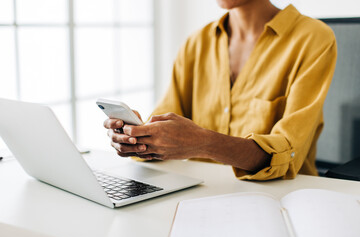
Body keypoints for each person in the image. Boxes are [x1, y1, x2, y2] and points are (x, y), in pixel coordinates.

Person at [103, 0, 337, 181]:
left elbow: (286, 154)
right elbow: (163, 122)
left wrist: (204, 143)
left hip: (281, 198)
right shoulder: (196, 43)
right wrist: (138, 139)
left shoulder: (313, 38)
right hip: (199, 193)